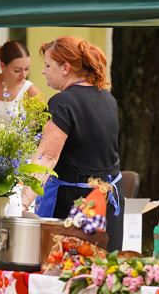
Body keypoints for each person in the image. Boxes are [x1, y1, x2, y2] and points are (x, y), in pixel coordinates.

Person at [20, 36, 125, 251]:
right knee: (102, 273)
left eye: (48, 66)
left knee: (67, 275)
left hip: (78, 206)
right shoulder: (107, 98)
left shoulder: (62, 102)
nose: (43, 71)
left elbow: (47, 157)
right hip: (108, 200)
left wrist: (21, 202)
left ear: (65, 68)